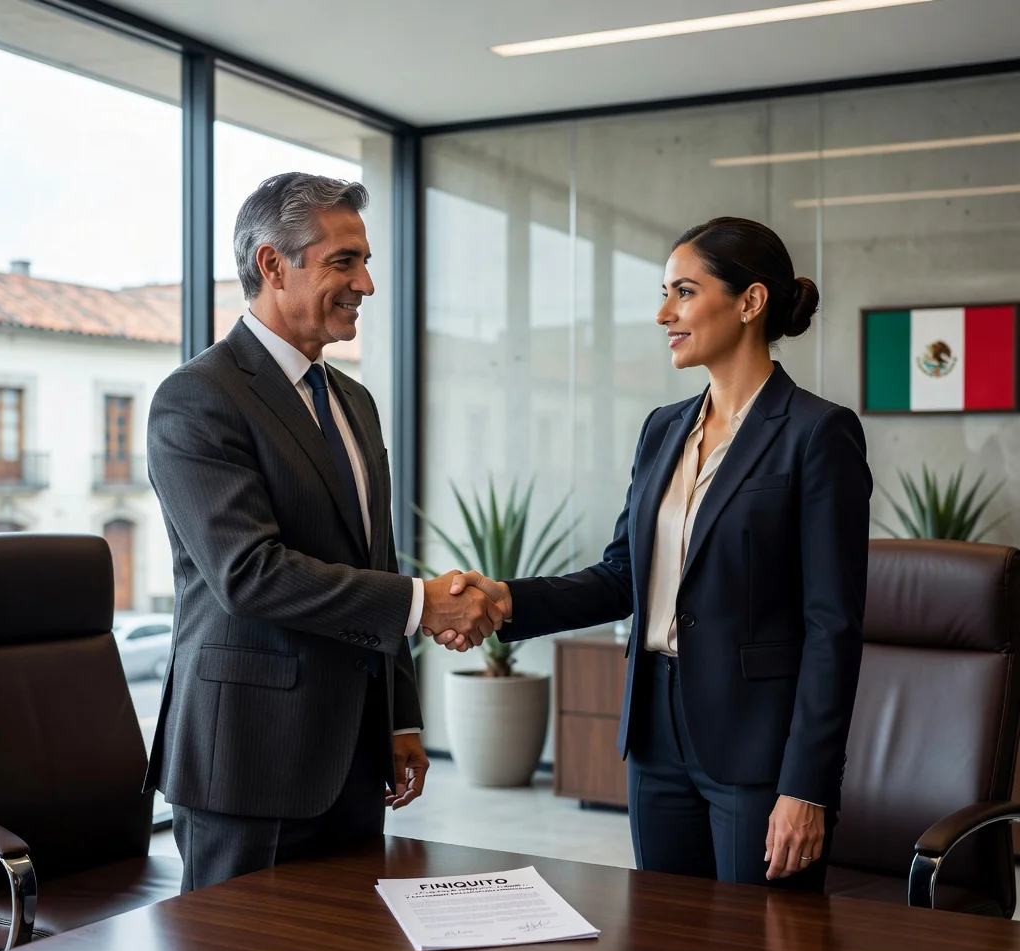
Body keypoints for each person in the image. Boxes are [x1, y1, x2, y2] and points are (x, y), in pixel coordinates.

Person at [436, 217, 872, 892]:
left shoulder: (818, 434)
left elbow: (832, 628)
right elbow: (621, 577)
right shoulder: (663, 429)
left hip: (758, 746)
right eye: (664, 292)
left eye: (685, 292)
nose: (664, 312)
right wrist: (504, 599)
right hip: (656, 731)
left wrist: (807, 787)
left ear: (750, 302)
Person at [145, 172, 501, 893]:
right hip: (248, 759)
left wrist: (400, 715)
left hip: (355, 756)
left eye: (365, 261)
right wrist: (424, 604)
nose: (366, 283)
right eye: (344, 261)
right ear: (273, 264)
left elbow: (378, 559)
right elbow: (250, 573)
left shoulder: (355, 402)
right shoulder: (198, 397)